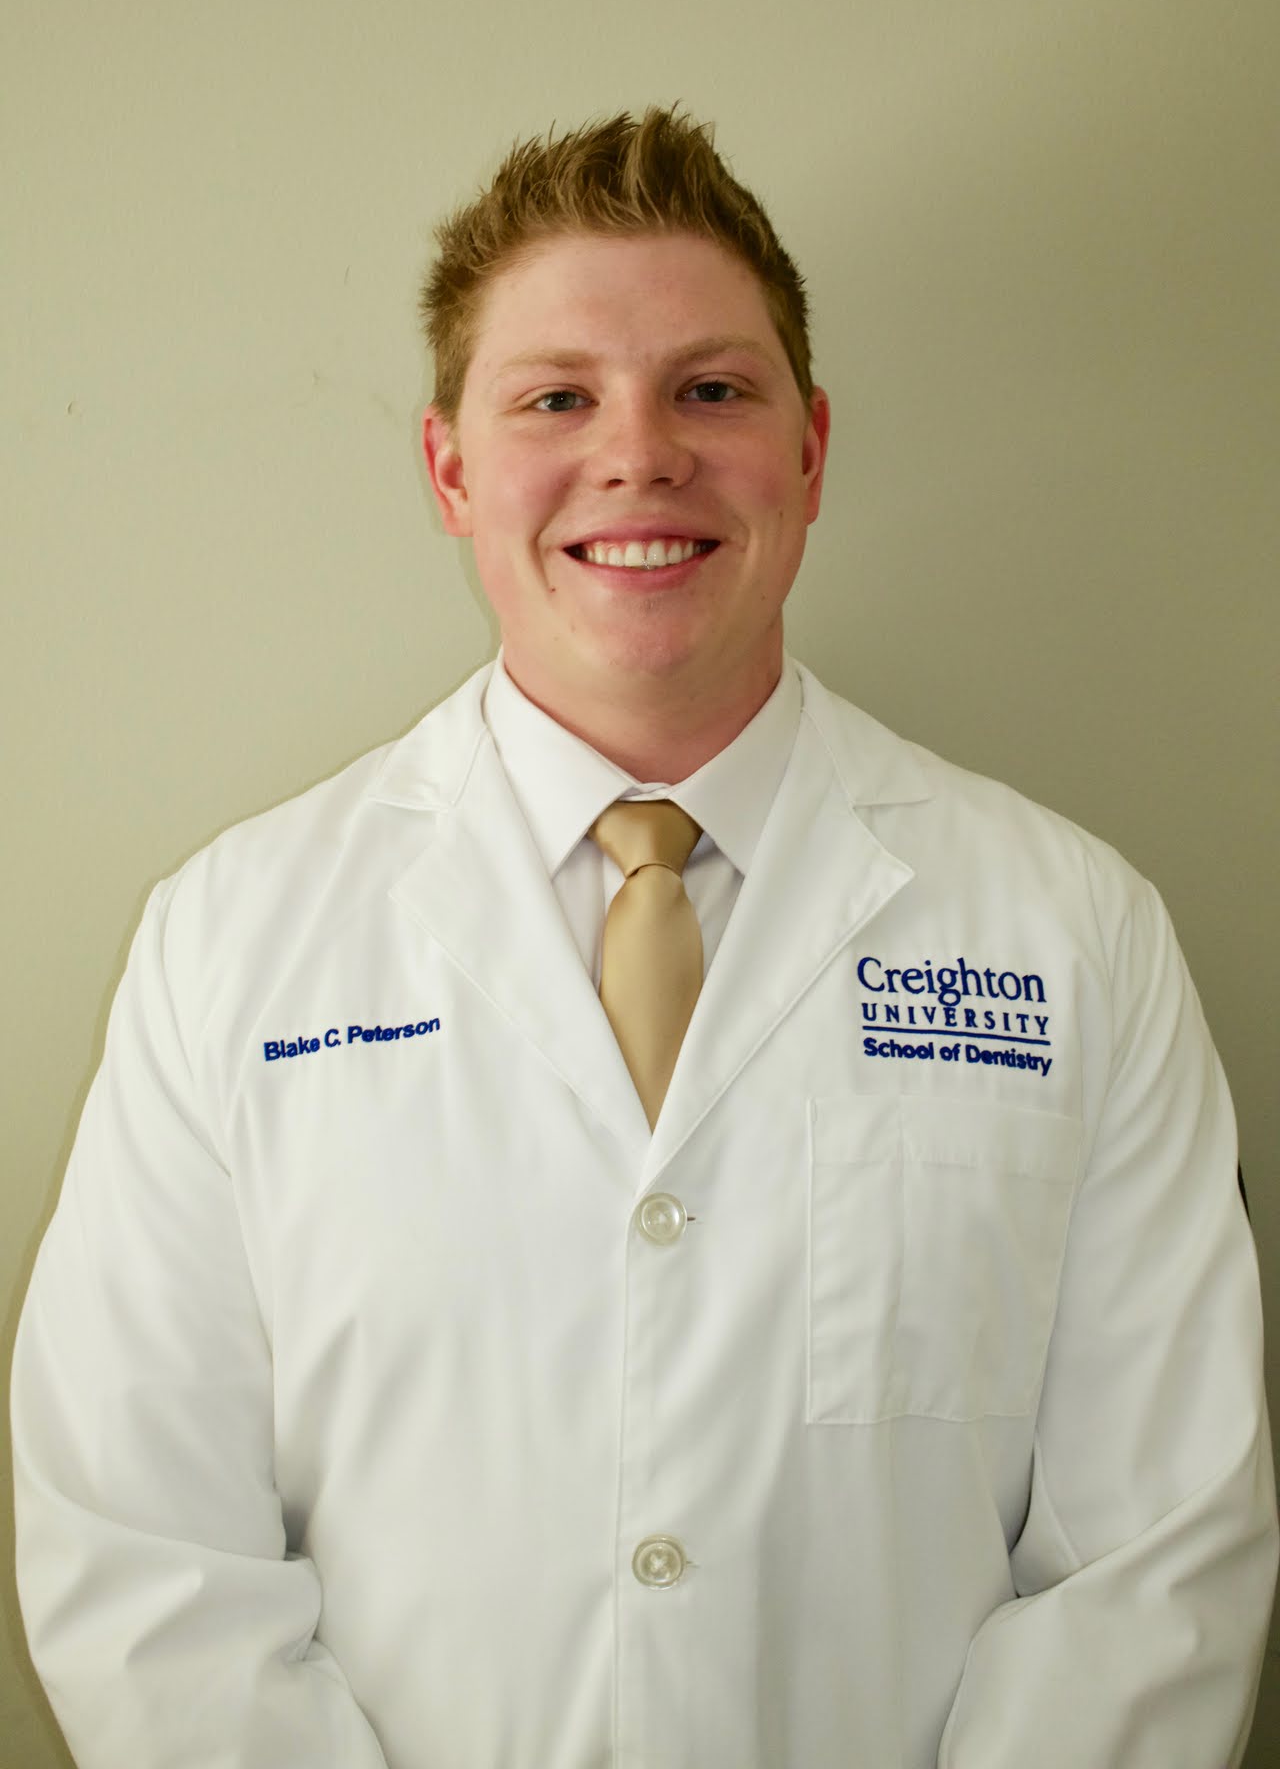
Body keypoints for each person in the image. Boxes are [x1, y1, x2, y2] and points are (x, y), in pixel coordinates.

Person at [12, 107, 1277, 1769]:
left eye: (712, 390)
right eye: (556, 398)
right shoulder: (229, 944)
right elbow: (143, 1554)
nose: (639, 456)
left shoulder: (1075, 934)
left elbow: (1154, 1563)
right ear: (451, 469)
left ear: (810, 450)